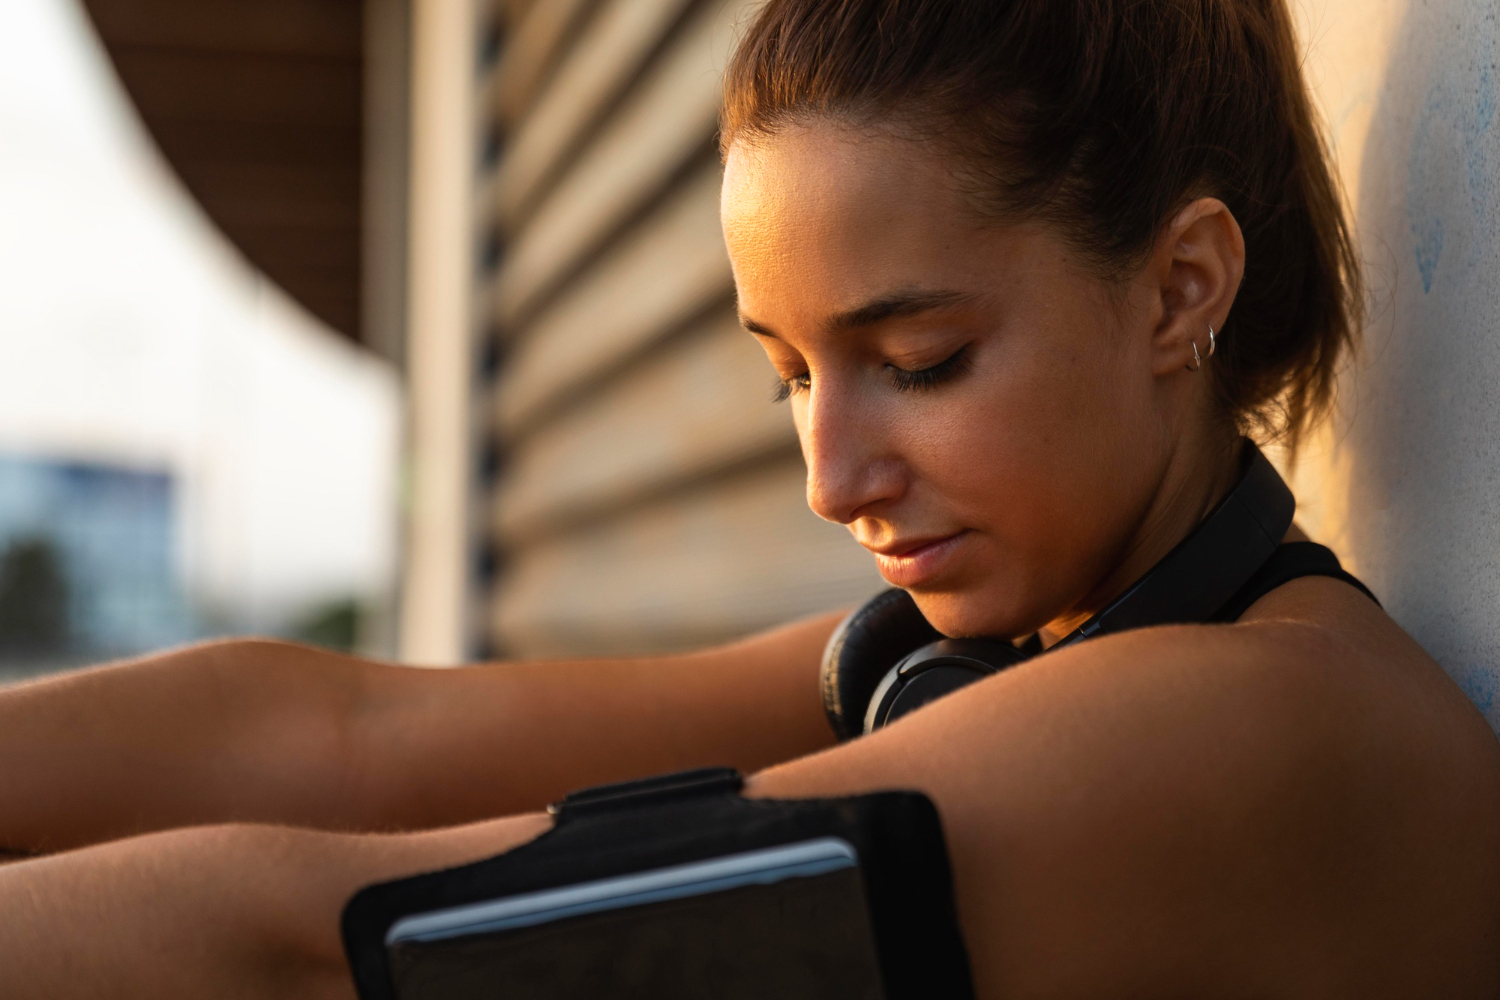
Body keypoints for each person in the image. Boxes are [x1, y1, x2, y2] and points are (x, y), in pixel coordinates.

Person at [4, 0, 1499, 995]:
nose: (830, 479)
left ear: (1181, 290)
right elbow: (350, 739)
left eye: (921, 360)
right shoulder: (993, 657)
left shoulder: (1254, 726)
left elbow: (334, 951)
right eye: (790, 375)